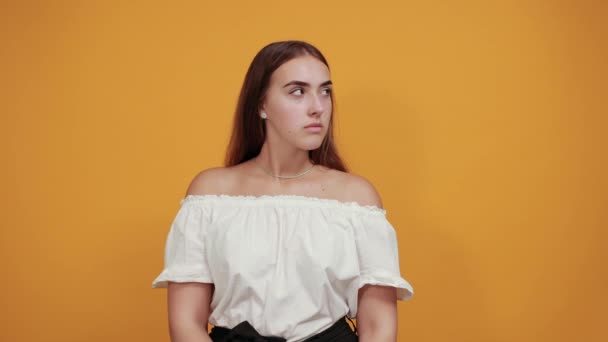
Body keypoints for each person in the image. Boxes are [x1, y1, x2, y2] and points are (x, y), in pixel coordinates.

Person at [152, 40, 414, 342]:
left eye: (325, 91)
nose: (318, 107)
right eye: (298, 91)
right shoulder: (210, 195)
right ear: (261, 104)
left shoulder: (357, 200)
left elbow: (379, 330)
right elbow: (185, 324)